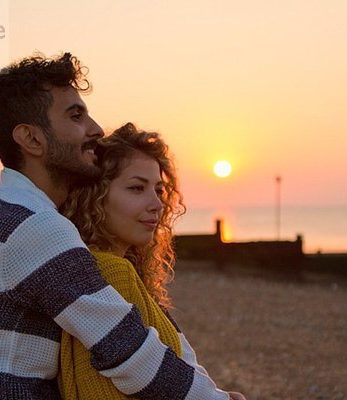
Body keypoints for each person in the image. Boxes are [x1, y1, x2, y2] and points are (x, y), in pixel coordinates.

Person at [0, 52, 234, 399]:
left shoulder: (3, 207)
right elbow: (128, 350)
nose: (96, 130)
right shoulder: (34, 227)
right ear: (32, 140)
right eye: (75, 116)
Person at [60, 123, 247, 400]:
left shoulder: (100, 267)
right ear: (94, 196)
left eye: (159, 190)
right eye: (137, 188)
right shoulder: (109, 271)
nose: (157, 204)